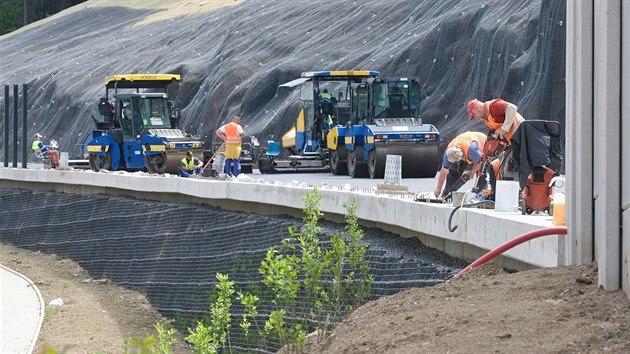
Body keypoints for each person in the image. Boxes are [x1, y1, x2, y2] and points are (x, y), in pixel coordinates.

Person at [434, 131, 487, 198]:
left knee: (482, 172)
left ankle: (481, 194)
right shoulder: (448, 153)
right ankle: (447, 194)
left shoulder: (473, 152)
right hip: (464, 143)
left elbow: (481, 161)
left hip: (482, 142)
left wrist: (472, 172)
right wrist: (438, 188)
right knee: (454, 169)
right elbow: (444, 171)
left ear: (462, 156)